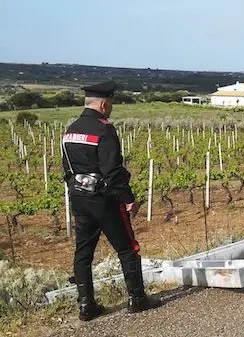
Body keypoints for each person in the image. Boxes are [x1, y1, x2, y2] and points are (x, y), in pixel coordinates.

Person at [62, 80, 161, 321]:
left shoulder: (70, 130)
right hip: (104, 199)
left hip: (78, 198)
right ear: (104, 104)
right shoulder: (104, 129)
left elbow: (66, 168)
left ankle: (86, 305)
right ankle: (137, 299)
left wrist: (78, 189)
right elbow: (113, 170)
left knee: (83, 252)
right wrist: (128, 199)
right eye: (112, 103)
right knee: (127, 248)